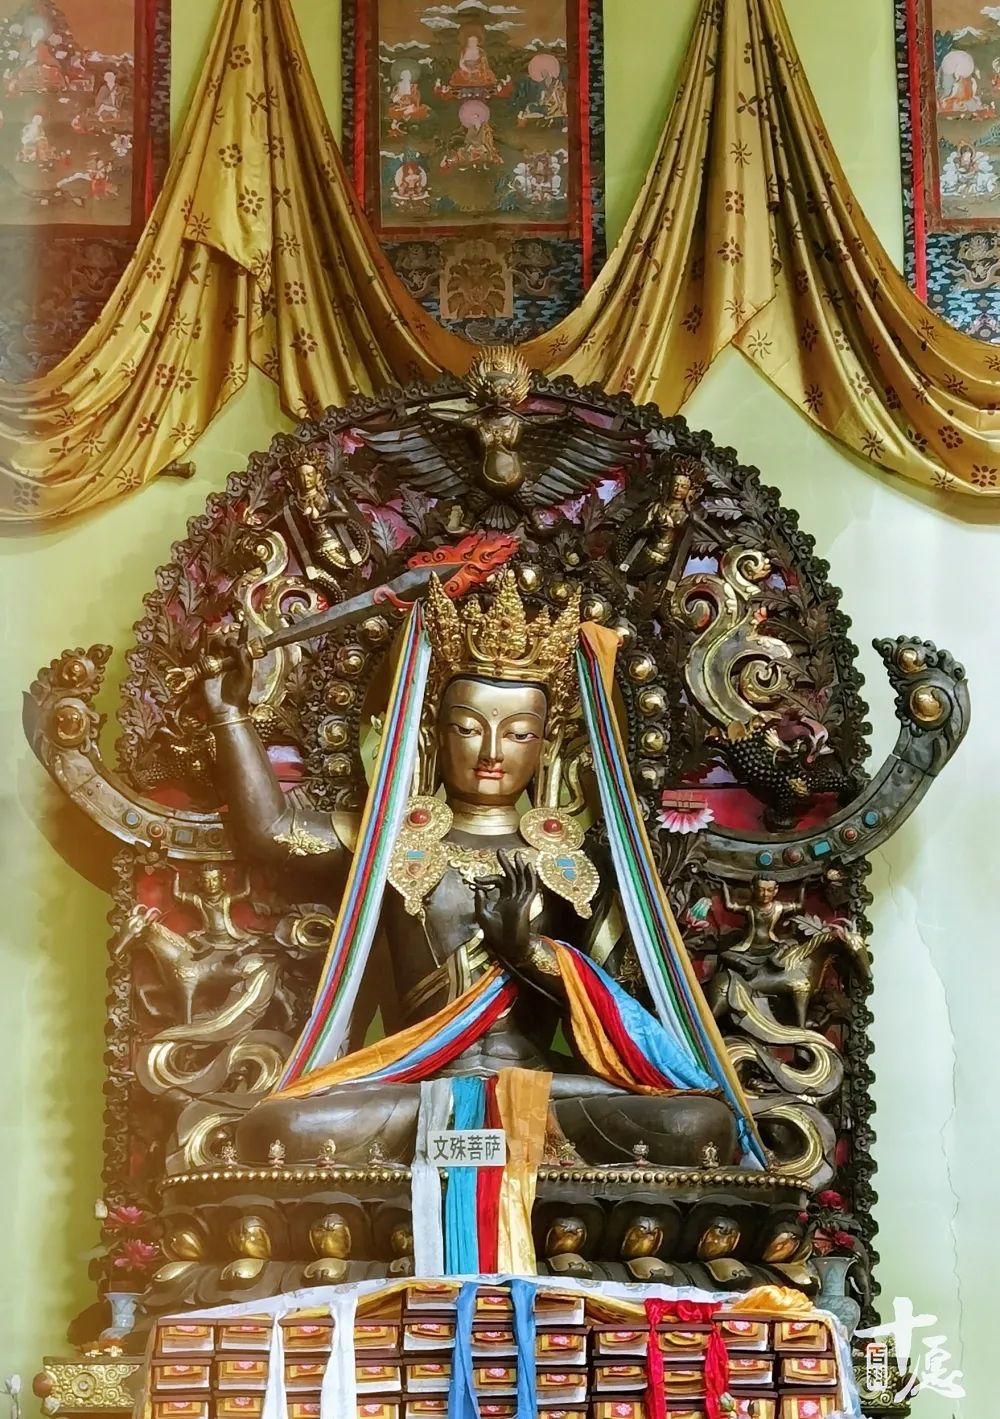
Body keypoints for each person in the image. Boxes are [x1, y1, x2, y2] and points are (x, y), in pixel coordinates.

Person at [194, 570, 762, 1169]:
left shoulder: (578, 861)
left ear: (548, 743)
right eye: (468, 728)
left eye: (518, 734)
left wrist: (527, 952)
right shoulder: (385, 838)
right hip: (417, 1084)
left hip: (541, 1086)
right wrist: (229, 715)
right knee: (279, 1128)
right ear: (433, 734)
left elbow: (619, 1013)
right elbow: (272, 834)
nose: (492, 752)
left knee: (697, 1123)